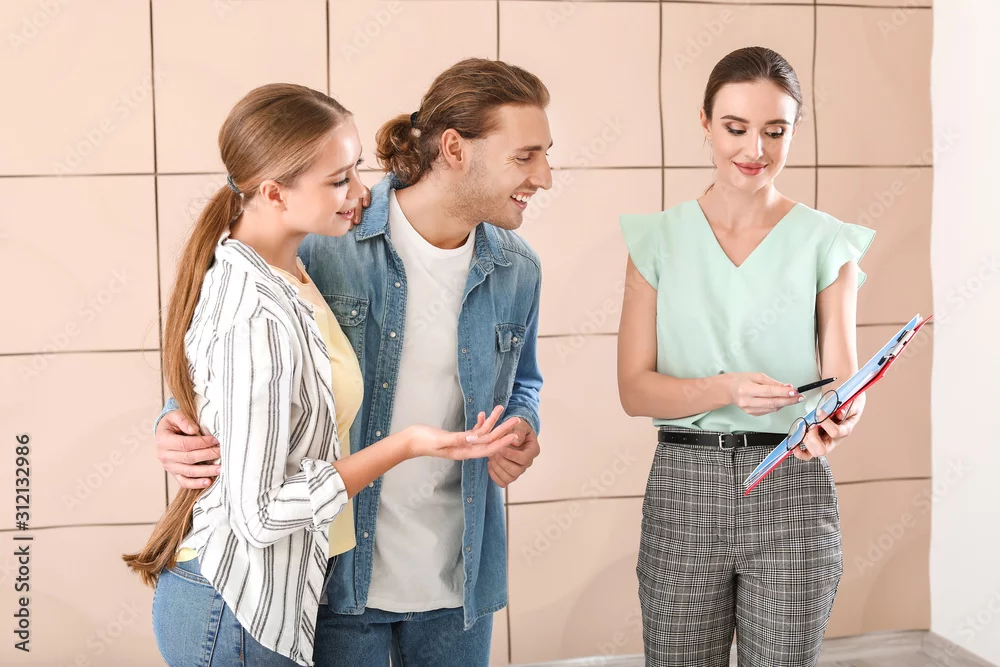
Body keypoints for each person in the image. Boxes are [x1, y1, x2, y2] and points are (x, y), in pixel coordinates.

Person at [151, 58, 552, 666]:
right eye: (524, 156)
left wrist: (523, 424)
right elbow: (233, 356)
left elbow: (524, 382)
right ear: (454, 148)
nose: (544, 176)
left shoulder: (517, 269)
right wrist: (174, 419)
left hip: (457, 580)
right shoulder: (325, 237)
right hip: (336, 578)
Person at [617, 47, 875, 666]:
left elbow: (845, 379)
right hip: (683, 488)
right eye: (735, 128)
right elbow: (634, 389)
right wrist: (727, 389)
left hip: (793, 487)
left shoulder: (826, 242)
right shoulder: (657, 241)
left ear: (794, 131)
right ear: (705, 122)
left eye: (775, 131)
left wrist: (840, 418)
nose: (754, 149)